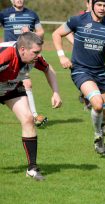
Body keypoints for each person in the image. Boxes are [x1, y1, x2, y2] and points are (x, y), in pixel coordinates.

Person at [52, 0, 105, 156]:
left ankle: (100, 142)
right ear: (92, 5)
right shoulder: (78, 20)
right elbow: (56, 34)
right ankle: (97, 134)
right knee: (97, 104)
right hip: (80, 70)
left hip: (101, 73)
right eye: (99, 5)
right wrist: (62, 56)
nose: (102, 8)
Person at [0, 32, 62, 181]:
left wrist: (56, 92)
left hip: (11, 86)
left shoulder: (34, 58)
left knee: (28, 119)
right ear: (22, 49)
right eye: (35, 52)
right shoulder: (5, 56)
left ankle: (32, 169)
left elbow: (48, 69)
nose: (38, 56)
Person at [0, 0, 48, 126]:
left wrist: (29, 34)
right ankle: (33, 116)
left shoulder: (31, 14)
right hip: (10, 57)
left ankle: (33, 116)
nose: (19, 0)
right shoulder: (4, 14)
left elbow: (41, 32)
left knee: (27, 84)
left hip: (26, 56)